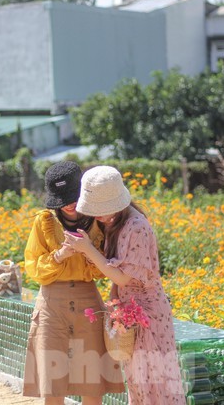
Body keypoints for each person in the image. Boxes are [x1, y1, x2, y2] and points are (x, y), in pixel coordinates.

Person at [64, 165, 186, 405]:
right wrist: (114, 304)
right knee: (138, 384)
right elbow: (116, 279)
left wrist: (88, 249)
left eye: (99, 209)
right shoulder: (116, 223)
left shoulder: (137, 226)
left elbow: (122, 276)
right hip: (130, 312)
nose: (96, 215)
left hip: (149, 314)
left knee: (157, 384)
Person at [22, 161, 125, 404]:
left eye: (73, 196)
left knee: (91, 380)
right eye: (62, 199)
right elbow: (33, 268)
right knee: (52, 383)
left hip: (87, 299)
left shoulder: (97, 218)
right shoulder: (44, 221)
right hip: (50, 303)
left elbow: (106, 268)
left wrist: (87, 250)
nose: (68, 204)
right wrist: (59, 256)